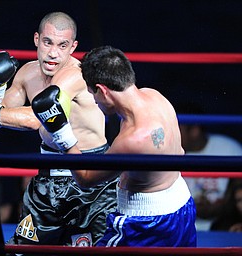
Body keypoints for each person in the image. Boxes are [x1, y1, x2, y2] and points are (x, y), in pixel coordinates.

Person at [0, 12, 117, 246]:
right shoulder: (27, 73)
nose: (53, 53)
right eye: (48, 42)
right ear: (37, 39)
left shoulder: (76, 75)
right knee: (23, 250)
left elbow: (39, 119)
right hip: (46, 180)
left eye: (62, 45)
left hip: (89, 181)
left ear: (73, 47)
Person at [31, 45, 197, 247]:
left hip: (145, 222)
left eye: (92, 94)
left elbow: (85, 178)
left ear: (102, 90)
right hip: (182, 205)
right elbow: (179, 152)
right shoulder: (155, 96)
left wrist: (62, 133)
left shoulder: (133, 139)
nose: (94, 100)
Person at [178, 102, 242, 231]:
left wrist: (224, 206)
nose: (173, 132)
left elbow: (239, 192)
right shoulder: (170, 152)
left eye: (178, 127)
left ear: (194, 130)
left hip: (223, 227)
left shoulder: (228, 148)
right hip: (181, 227)